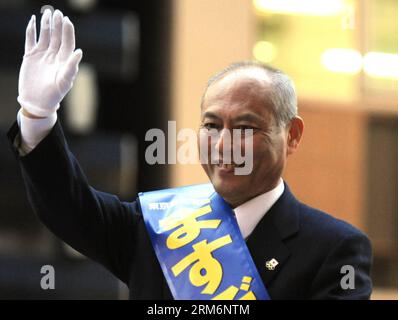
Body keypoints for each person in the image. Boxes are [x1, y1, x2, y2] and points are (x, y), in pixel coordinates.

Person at [7, 9, 372, 299]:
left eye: (245, 128)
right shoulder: (156, 227)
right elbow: (68, 208)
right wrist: (38, 118)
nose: (224, 143)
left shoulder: (334, 250)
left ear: (291, 135)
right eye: (211, 126)